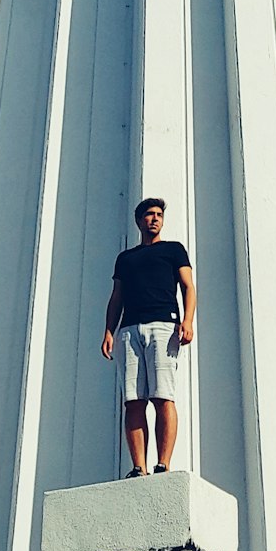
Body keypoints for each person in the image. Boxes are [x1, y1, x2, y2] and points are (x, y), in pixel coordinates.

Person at [101, 196, 196, 477]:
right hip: (129, 330)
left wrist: (187, 321)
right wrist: (109, 331)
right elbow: (116, 296)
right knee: (133, 400)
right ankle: (138, 467)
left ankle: (163, 462)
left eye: (158, 215)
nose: (154, 219)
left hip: (164, 326)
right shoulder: (126, 258)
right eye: (149, 215)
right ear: (139, 220)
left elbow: (188, 286)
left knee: (162, 395)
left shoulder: (173, 250)